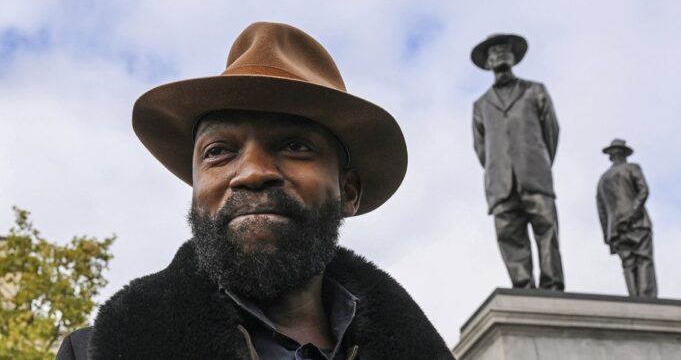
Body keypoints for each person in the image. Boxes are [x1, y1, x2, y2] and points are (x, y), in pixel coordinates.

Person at [56, 22, 453, 359]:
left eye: (294, 145)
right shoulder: (92, 353)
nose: (252, 173)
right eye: (218, 151)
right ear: (196, 189)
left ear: (348, 191)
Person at [470, 34, 564, 290]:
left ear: (513, 57)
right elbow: (481, 148)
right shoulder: (480, 105)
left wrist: (538, 161)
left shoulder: (535, 91)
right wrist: (498, 167)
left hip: (535, 175)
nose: (498, 55)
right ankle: (523, 288)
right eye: (492, 52)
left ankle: (552, 285)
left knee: (547, 230)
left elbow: (551, 133)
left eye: (504, 50)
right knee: (510, 236)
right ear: (487, 63)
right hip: (500, 182)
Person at [596, 139, 657, 298]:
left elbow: (601, 212)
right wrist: (632, 214)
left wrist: (608, 236)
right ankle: (645, 297)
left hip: (615, 230)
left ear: (611, 156)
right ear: (625, 155)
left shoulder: (603, 180)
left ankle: (633, 296)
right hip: (637, 223)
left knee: (628, 264)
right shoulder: (632, 168)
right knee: (644, 259)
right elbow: (643, 191)